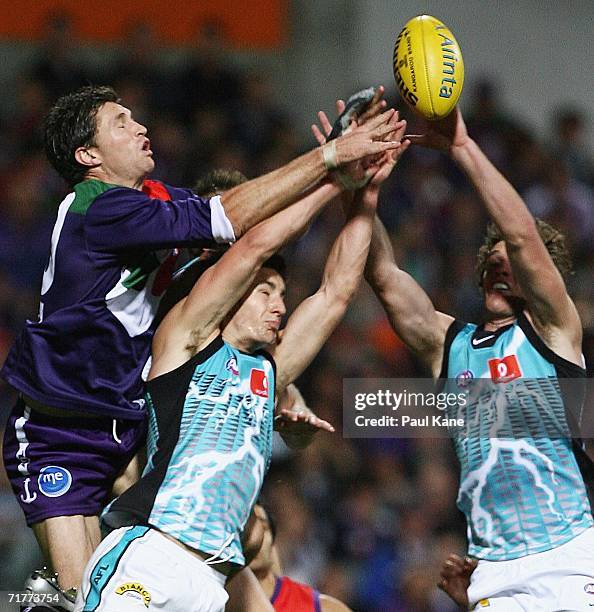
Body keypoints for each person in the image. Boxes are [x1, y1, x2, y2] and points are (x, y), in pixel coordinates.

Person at [0, 84, 399, 597]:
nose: (140, 126)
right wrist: (329, 162)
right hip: (61, 427)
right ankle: (41, 599)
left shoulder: (153, 204)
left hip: (125, 422)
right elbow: (238, 226)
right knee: (78, 593)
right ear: (88, 155)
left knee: (233, 524)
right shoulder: (97, 209)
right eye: (121, 122)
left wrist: (343, 180)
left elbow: (257, 234)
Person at [314, 105, 594, 610]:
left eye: (512, 264)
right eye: (491, 263)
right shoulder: (450, 342)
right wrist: (360, 189)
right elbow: (385, 275)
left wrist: (463, 148)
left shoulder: (554, 331)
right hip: (490, 567)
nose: (500, 270)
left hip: (568, 553)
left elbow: (525, 237)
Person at [244, 503, 352, 612]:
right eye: (243, 531)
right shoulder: (227, 603)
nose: (252, 539)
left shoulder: (321, 608)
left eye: (262, 527)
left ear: (274, 541)